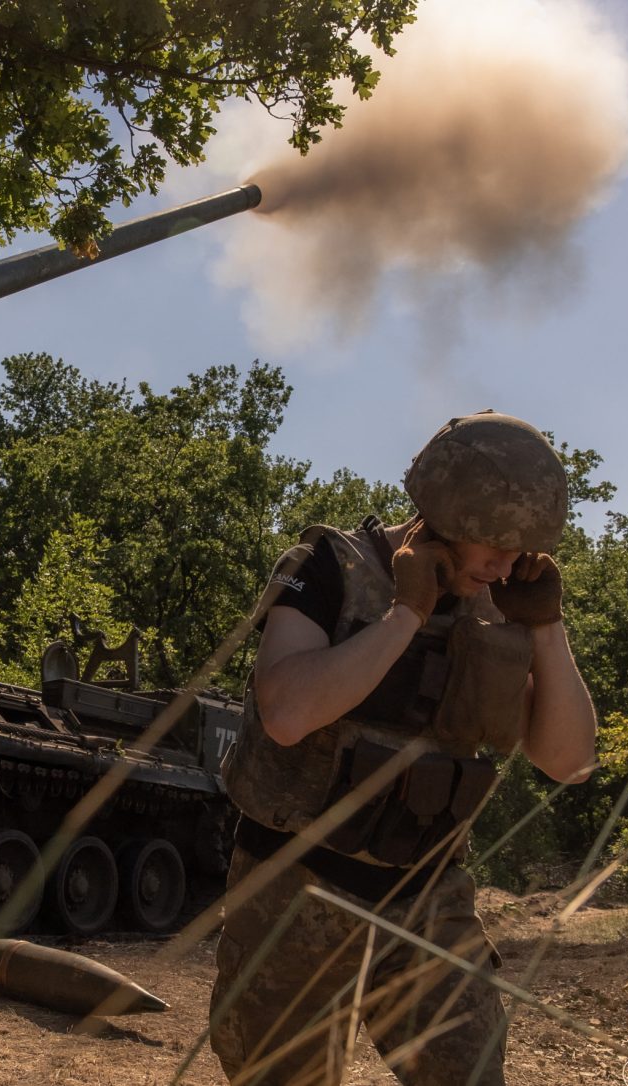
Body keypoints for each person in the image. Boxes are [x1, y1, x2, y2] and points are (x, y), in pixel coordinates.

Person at [210, 411, 599, 1085]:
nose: (508, 563)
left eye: (521, 548)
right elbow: (287, 713)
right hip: (298, 895)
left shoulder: (500, 607)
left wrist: (547, 629)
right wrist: (406, 616)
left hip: (427, 904)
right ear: (446, 509)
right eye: (495, 543)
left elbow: (569, 762)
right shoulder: (330, 567)